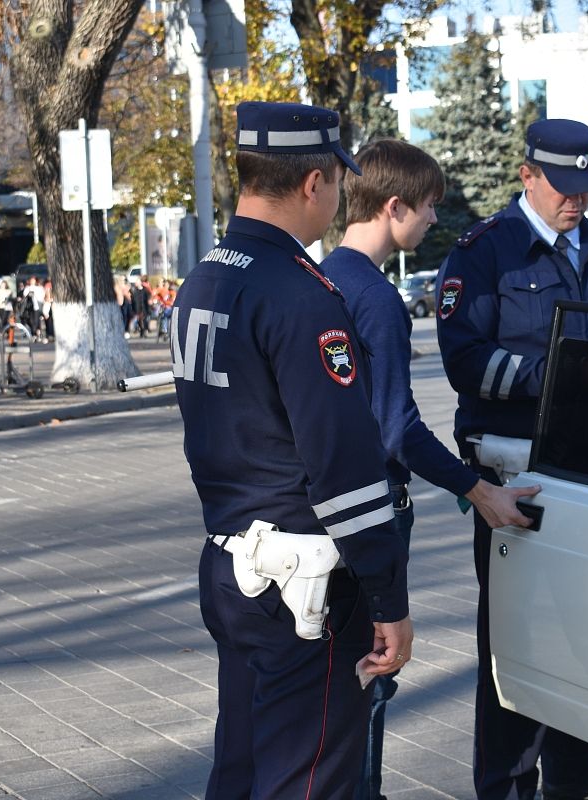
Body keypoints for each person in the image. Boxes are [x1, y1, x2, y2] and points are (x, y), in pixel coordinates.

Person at [172, 100, 413, 799]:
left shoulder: (204, 278)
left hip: (230, 562)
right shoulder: (300, 295)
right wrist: (387, 597)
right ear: (315, 183)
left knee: (240, 769)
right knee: (309, 780)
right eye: (337, 182)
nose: (337, 198)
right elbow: (343, 466)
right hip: (302, 586)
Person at [436, 118, 588, 800]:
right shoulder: (484, 254)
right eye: (564, 187)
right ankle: (505, 788)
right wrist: (563, 377)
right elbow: (465, 361)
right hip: (518, 484)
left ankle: (573, 781)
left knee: (587, 641)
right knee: (516, 644)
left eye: (585, 188)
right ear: (527, 174)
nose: (577, 201)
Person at [320, 138, 541, 800]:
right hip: (376, 511)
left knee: (335, 696)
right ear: (394, 207)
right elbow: (398, 429)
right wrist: (478, 490)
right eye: (428, 209)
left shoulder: (322, 276)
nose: (433, 223)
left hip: (324, 512)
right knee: (371, 684)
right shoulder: (376, 298)